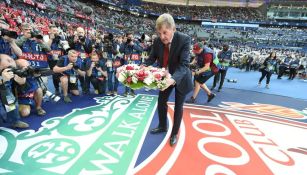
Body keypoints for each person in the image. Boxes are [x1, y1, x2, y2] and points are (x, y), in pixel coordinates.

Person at [144, 13, 193, 147]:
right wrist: (144, 66)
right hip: (165, 76)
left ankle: (174, 133)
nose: (162, 37)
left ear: (173, 29)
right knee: (161, 101)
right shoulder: (158, 40)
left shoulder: (184, 39)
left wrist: (173, 79)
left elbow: (184, 65)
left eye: (165, 32)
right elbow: (152, 57)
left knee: (178, 107)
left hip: (181, 77)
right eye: (159, 33)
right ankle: (162, 126)